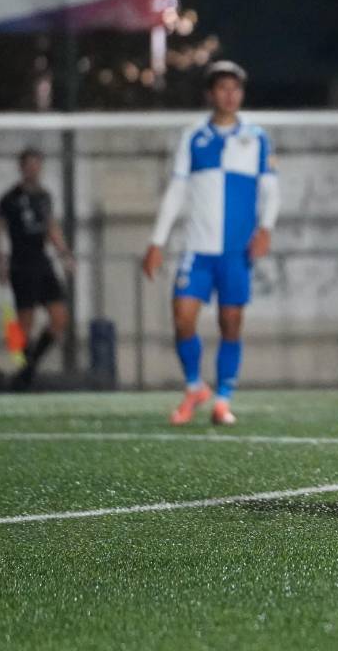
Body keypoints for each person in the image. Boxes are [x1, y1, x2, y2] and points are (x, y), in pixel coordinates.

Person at [142, 61, 280, 425]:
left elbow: (271, 188)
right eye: (223, 88)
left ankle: (223, 399)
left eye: (236, 88)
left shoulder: (257, 137)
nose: (230, 94)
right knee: (182, 316)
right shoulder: (194, 137)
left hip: (235, 252)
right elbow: (177, 190)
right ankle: (193, 387)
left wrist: (265, 228)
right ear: (210, 94)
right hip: (198, 250)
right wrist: (157, 241)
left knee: (230, 322)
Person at [0, 147, 76, 389]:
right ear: (22, 168)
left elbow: (51, 227)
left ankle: (28, 370)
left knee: (59, 318)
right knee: (24, 325)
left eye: (37, 164)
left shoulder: (45, 196)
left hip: (42, 262)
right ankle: (24, 373)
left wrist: (65, 254)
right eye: (29, 165)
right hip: (21, 263)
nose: (33, 169)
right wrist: (0, 262)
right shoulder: (10, 199)